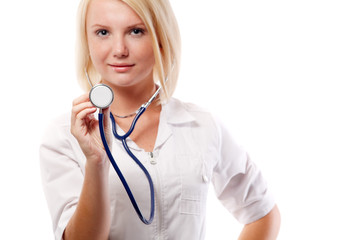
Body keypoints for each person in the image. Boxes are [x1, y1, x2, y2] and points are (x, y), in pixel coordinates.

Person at [39, 0, 281, 239]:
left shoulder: (201, 125)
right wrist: (96, 163)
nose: (119, 49)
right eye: (103, 32)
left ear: (162, 39)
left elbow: (262, 213)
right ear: (87, 42)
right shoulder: (63, 136)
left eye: (136, 31)